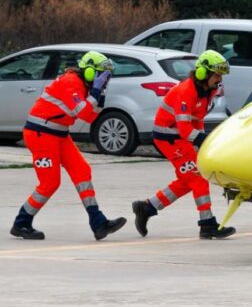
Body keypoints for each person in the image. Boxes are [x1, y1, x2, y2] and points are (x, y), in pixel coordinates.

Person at [10, 51, 127, 240]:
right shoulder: (71, 82)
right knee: (50, 183)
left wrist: (99, 95)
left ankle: (98, 222)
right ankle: (21, 223)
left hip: (58, 133)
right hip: (41, 134)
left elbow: (90, 116)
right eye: (101, 74)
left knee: (82, 170)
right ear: (89, 71)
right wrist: (95, 93)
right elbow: (81, 112)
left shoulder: (83, 85)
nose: (104, 79)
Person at [131, 50, 236, 239]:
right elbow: (184, 127)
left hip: (179, 137)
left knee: (188, 180)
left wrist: (201, 139)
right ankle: (207, 225)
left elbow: (197, 121)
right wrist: (203, 140)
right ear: (203, 73)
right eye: (217, 74)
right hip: (168, 138)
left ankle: (147, 207)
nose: (219, 79)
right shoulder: (186, 91)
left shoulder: (207, 91)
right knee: (198, 177)